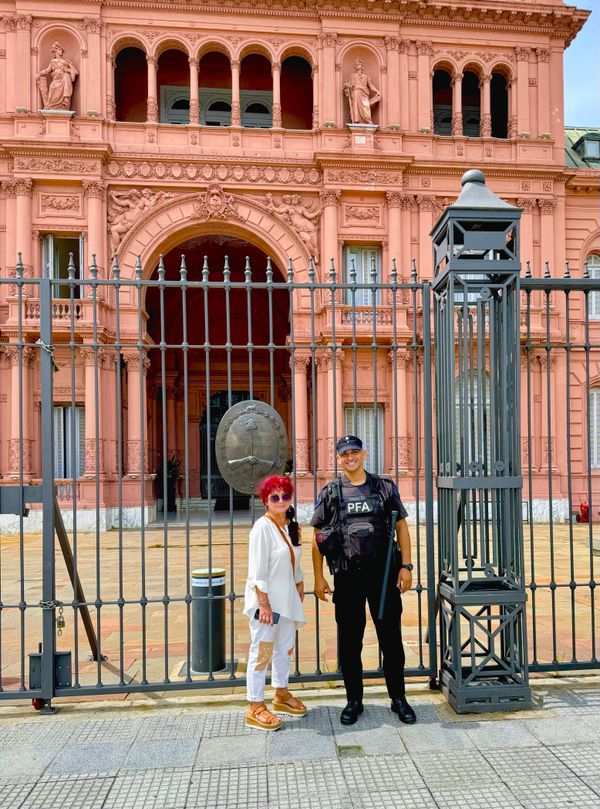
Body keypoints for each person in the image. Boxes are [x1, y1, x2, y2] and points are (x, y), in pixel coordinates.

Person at [311, 435, 416, 726]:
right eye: (345, 454)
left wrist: (405, 566)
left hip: (382, 577)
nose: (350, 457)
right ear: (338, 459)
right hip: (347, 577)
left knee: (391, 639)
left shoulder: (383, 487)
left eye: (354, 452)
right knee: (349, 641)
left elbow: (402, 528)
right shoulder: (331, 492)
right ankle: (353, 701)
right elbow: (317, 537)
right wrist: (319, 577)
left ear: (364, 454)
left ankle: (398, 698)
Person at [244, 475, 307, 730]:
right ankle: (255, 705)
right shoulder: (262, 527)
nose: (281, 501)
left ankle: (281, 694)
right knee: (262, 652)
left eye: (285, 495)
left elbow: (294, 559)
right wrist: (264, 604)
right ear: (266, 501)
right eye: (275, 497)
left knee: (285, 649)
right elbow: (257, 571)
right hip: (267, 604)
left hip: (287, 600)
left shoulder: (289, 525)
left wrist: (300, 582)